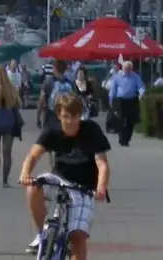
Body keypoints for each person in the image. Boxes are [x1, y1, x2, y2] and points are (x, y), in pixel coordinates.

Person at [19, 93, 111, 259]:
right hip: (58, 180)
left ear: (80, 115)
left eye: (74, 116)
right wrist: (25, 174)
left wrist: (101, 187)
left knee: (78, 236)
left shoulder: (91, 130)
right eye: (65, 117)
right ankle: (42, 235)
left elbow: (102, 163)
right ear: (59, 115)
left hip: (84, 187)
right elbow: (33, 155)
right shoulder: (52, 130)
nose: (70, 121)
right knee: (33, 188)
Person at [0, 64, 23, 187]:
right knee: (7, 153)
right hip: (10, 123)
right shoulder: (12, 89)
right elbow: (17, 105)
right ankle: (6, 181)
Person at [38, 60, 74, 130]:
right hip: (66, 116)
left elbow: (41, 100)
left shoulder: (48, 82)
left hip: (51, 116)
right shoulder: (70, 83)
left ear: (55, 68)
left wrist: (38, 117)